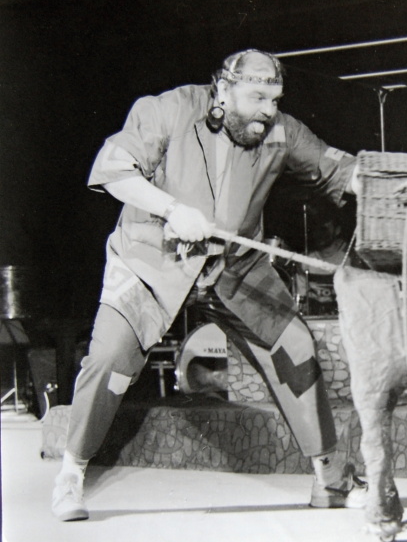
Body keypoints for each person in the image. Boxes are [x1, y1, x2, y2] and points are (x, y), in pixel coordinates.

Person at [51, 49, 366, 521]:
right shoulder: (167, 110)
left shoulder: (281, 130)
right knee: (110, 357)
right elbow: (114, 170)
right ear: (222, 89)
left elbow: (341, 169)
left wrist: (397, 184)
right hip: (153, 260)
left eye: (274, 99)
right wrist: (172, 209)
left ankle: (330, 478)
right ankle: (71, 474)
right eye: (256, 97)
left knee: (296, 347)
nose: (268, 110)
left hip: (234, 266)